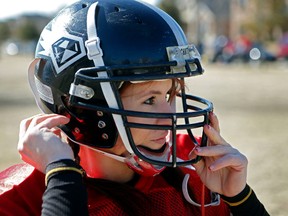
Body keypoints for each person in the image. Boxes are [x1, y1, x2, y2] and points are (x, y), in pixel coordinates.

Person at [0, 0, 269, 215]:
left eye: (168, 95)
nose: (170, 118)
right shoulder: (21, 197)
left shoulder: (194, 170)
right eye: (149, 100)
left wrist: (241, 200)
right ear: (88, 108)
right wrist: (62, 177)